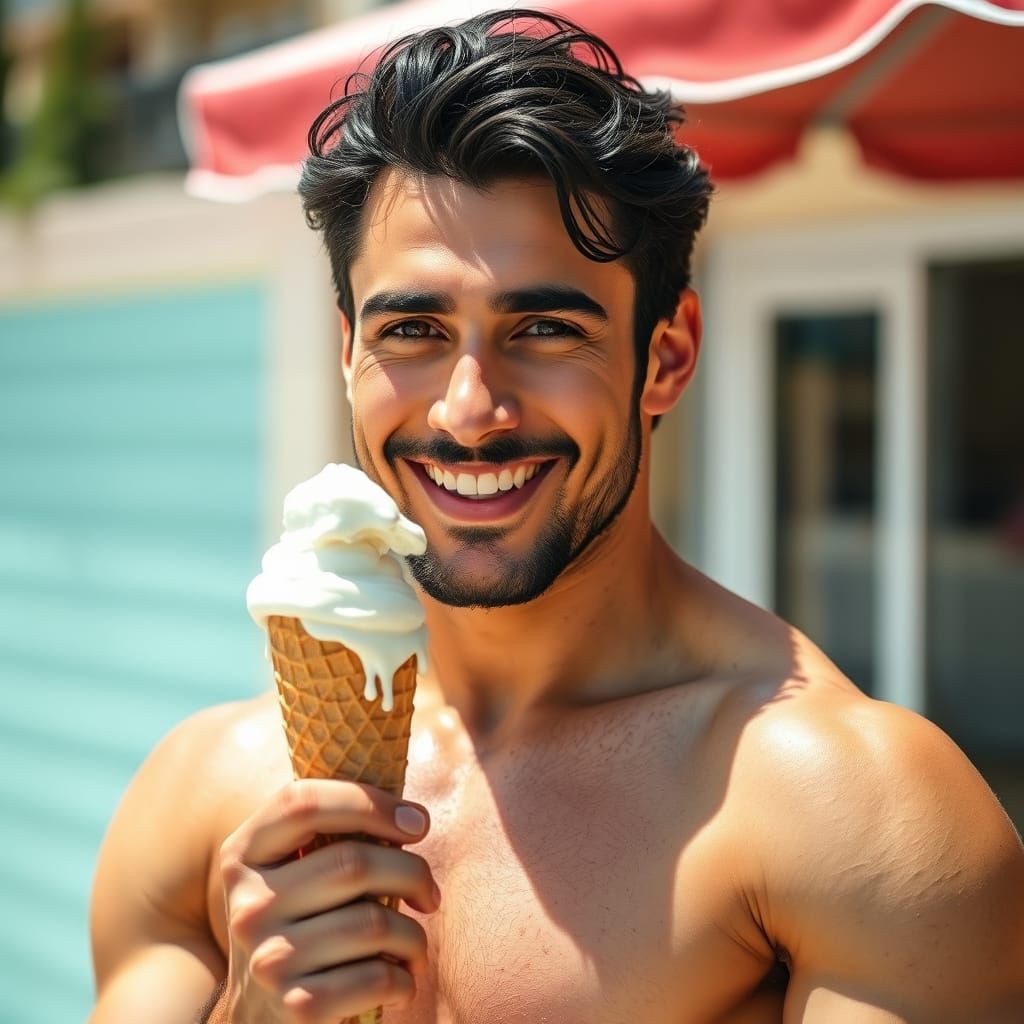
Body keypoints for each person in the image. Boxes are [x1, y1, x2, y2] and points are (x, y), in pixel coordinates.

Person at [89, 10, 1024, 1023]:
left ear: (664, 357)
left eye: (542, 328)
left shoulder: (850, 815)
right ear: (349, 354)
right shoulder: (202, 801)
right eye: (413, 329)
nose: (468, 411)